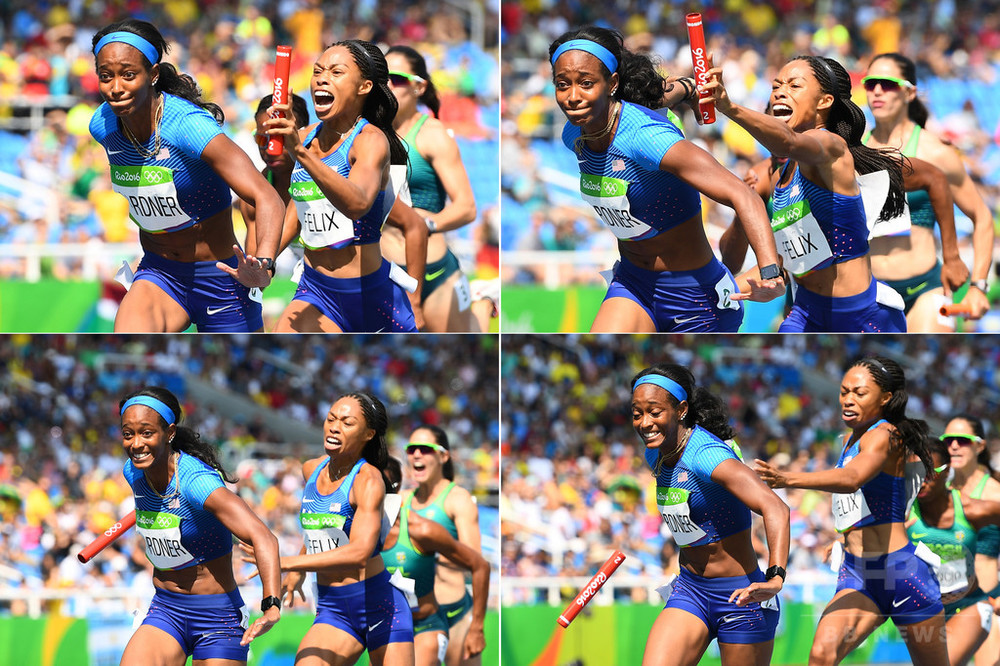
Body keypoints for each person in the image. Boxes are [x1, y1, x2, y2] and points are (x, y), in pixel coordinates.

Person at [548, 27, 785, 333]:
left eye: (587, 83)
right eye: (562, 85)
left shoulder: (646, 137)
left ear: (612, 84)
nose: (572, 97)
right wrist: (688, 88)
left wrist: (770, 272)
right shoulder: (573, 134)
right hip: (633, 283)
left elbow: (744, 194)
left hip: (695, 296)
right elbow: (648, 100)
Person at [90, 19, 283, 332]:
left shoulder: (188, 126)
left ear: (152, 74)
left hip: (222, 276)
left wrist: (264, 265)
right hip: (159, 273)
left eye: (128, 75)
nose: (115, 88)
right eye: (105, 76)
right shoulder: (102, 126)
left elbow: (266, 196)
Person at [755, 356, 947, 665]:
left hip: (901, 573)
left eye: (859, 393)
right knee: (821, 655)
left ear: (886, 397)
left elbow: (852, 479)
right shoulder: (850, 439)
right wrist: (844, 538)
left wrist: (787, 478)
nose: (848, 399)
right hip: (859, 573)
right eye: (844, 391)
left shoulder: (886, 435)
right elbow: (861, 501)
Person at [704, 55, 908, 332]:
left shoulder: (832, 147)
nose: (779, 92)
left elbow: (790, 142)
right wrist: (718, 294)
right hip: (805, 312)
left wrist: (728, 107)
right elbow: (786, 259)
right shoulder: (778, 175)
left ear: (824, 102)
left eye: (794, 85)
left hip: (863, 316)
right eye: (776, 85)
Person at [632, 364, 789, 666]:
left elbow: (776, 507)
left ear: (681, 410)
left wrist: (776, 577)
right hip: (691, 590)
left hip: (742, 596)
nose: (644, 423)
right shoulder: (655, 453)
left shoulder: (707, 455)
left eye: (654, 412)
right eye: (637, 413)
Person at [264, 39, 425, 332]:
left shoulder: (371, 140)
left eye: (336, 72)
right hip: (315, 291)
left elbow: (357, 204)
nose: (322, 78)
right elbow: (296, 210)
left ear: (364, 87)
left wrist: (299, 153)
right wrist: (265, 259)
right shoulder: (305, 135)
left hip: (371, 298)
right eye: (317, 71)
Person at [243, 392, 414, 666]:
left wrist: (289, 562)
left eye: (347, 422)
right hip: (334, 609)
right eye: (331, 418)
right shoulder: (311, 469)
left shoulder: (368, 480)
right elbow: (319, 528)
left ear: (368, 434)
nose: (334, 426)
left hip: (381, 606)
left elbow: (359, 552)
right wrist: (297, 569)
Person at [118, 387, 283, 665]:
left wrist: (271, 604)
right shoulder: (133, 472)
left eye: (147, 433)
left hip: (218, 617)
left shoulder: (196, 481)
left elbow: (263, 536)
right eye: (128, 434)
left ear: (169, 433)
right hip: (166, 610)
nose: (136, 444)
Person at [862, 53, 995, 327]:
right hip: (868, 291)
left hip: (926, 289)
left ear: (910, 93)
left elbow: (982, 217)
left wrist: (978, 286)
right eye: (870, 83)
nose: (877, 90)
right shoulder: (853, 150)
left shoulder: (936, 152)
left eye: (887, 83)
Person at [382, 45, 480, 332]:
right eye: (381, 78)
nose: (387, 85)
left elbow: (466, 208)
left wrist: (420, 225)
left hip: (435, 272)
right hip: (386, 271)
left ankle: (484, 303)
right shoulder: (367, 133)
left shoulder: (433, 135)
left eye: (396, 79)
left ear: (418, 87)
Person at [381, 454, 489, 666]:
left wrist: (477, 627)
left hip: (428, 624)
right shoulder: (355, 527)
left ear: (393, 490)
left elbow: (480, 565)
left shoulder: (423, 529)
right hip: (386, 626)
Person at [907, 437, 996, 666]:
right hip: (924, 614)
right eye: (914, 472)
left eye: (928, 472)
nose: (921, 481)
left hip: (969, 606)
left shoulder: (974, 510)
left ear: (946, 472)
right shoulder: (902, 513)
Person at [942, 414, 1000, 666]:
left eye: (962, 440)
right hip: (942, 605)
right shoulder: (934, 492)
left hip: (987, 602)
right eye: (948, 440)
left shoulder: (995, 493)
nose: (954, 445)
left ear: (980, 445)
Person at [241, 92, 311, 261]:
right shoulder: (253, 195)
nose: (270, 149)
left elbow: (263, 259)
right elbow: (256, 267)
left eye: (278, 139)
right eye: (261, 139)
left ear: (300, 135)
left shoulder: (317, 178)